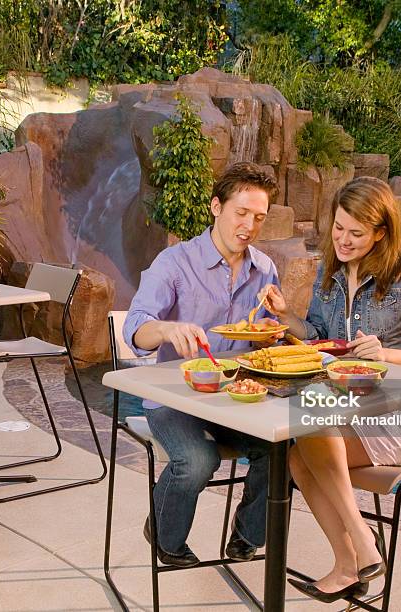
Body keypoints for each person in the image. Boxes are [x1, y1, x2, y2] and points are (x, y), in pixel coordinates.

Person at [264, 176, 401, 603]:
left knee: (311, 431)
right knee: (297, 455)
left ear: (381, 232)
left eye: (356, 233)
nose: (343, 240)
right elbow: (317, 336)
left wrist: (386, 355)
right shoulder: (329, 274)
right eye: (339, 228)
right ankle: (350, 562)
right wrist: (285, 316)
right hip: (350, 410)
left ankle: (363, 546)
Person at [123, 162, 281, 568]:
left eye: (258, 217)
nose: (248, 225)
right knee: (197, 460)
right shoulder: (174, 263)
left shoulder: (265, 269)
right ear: (216, 207)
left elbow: (270, 333)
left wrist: (270, 330)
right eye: (241, 213)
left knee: (284, 448)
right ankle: (164, 535)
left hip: (234, 397)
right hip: (175, 398)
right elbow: (136, 329)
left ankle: (246, 536)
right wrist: (165, 329)